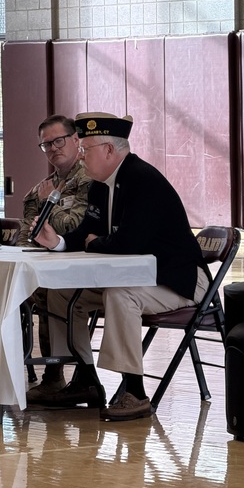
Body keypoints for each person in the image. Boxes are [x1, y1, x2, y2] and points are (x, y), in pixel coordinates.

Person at [29, 112, 207, 421]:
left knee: (121, 295)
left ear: (109, 150)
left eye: (85, 149)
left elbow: (129, 243)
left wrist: (95, 242)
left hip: (180, 280)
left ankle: (135, 392)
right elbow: (87, 233)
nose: (80, 156)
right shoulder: (100, 185)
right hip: (138, 277)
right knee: (62, 293)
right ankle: (84, 379)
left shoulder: (143, 180)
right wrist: (56, 241)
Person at [20, 115, 92, 399]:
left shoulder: (88, 179)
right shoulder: (44, 186)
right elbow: (27, 232)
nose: (52, 148)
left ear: (75, 140)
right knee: (16, 287)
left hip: (81, 264)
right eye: (46, 144)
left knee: (51, 291)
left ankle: (56, 374)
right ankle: (42, 373)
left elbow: (74, 226)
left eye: (58, 141)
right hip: (49, 262)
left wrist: (50, 202)